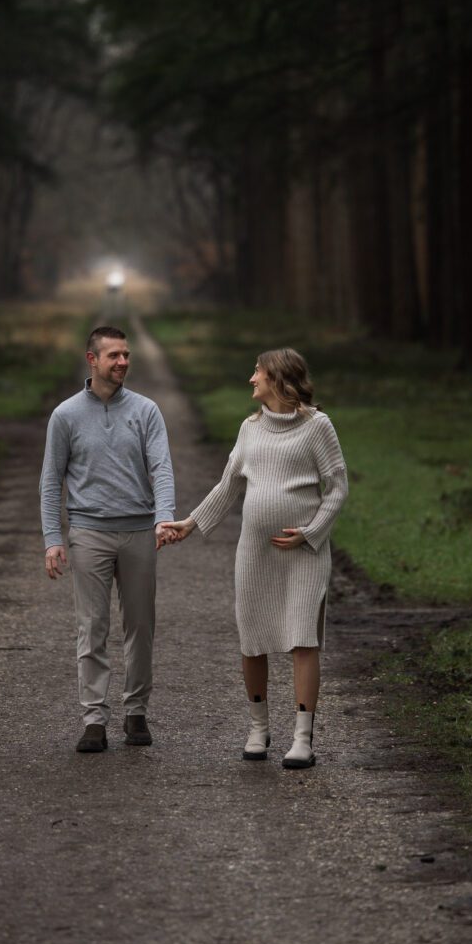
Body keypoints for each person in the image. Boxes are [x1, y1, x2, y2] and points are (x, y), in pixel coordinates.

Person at [162, 348, 347, 769]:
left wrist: (312, 533)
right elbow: (229, 485)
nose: (251, 379)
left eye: (257, 373)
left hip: (305, 553)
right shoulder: (250, 428)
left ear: (279, 379)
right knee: (253, 639)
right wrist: (189, 524)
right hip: (255, 553)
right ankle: (258, 730)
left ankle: (303, 739)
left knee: (303, 638)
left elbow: (337, 487)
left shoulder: (318, 426)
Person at [40, 325, 176, 754]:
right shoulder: (65, 415)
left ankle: (136, 711)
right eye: (114, 355)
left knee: (140, 626)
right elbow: (50, 481)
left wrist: (164, 518)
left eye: (126, 355)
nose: (122, 363)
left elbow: (163, 468)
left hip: (138, 531)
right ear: (92, 360)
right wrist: (52, 538)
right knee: (92, 627)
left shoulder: (146, 410)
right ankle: (94, 718)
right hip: (88, 532)